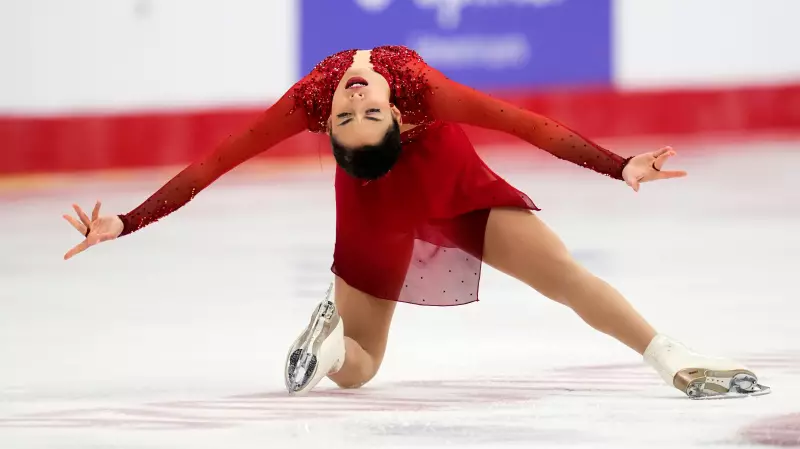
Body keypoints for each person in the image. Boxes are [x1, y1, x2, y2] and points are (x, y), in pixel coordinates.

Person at [62, 45, 768, 399]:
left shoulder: (349, 95)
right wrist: (123, 221)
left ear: (402, 118)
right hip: (378, 205)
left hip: (455, 186)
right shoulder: (377, 91)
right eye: (349, 115)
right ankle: (330, 346)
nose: (356, 100)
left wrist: (619, 166)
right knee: (359, 372)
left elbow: (529, 125)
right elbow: (214, 164)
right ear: (332, 131)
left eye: (360, 112)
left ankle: (672, 357)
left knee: (564, 276)